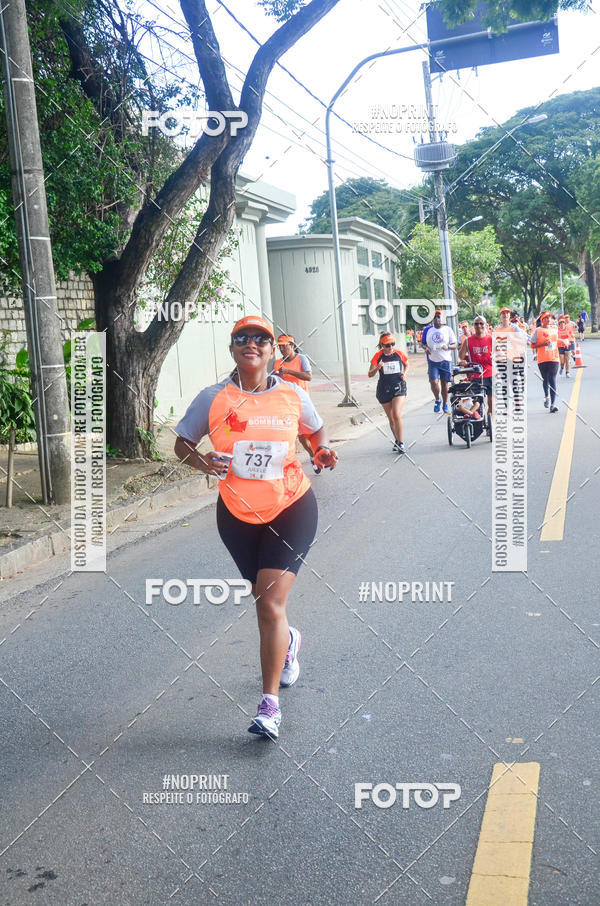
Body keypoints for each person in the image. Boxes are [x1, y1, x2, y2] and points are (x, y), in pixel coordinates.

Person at [173, 315, 338, 740]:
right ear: (232, 349)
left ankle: (270, 706)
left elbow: (316, 430)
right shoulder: (212, 398)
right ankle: (289, 642)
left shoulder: (292, 393)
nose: (252, 344)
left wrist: (320, 450)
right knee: (264, 600)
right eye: (242, 338)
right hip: (236, 514)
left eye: (261, 339)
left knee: (268, 603)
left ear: (271, 351)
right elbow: (182, 443)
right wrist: (203, 462)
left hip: (292, 505)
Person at [273, 334, 318, 472]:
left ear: (292, 345)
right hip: (286, 404)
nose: (282, 349)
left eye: (284, 346)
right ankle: (294, 462)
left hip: (302, 403)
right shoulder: (277, 363)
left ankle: (314, 454)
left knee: (306, 434)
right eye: (280, 347)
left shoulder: (301, 359)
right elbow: (276, 383)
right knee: (295, 435)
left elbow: (308, 376)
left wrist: (288, 371)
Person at [368, 332, 409, 454]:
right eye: (387, 345)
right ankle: (397, 440)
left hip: (398, 386)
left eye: (392, 344)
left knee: (396, 414)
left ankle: (401, 443)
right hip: (384, 389)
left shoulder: (398, 353)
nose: (390, 347)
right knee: (391, 418)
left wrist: (404, 374)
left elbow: (407, 364)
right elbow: (370, 374)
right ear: (382, 345)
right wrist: (378, 367)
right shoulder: (378, 356)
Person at [422, 309, 457, 414]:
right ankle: (437, 400)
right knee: (433, 382)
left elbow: (455, 345)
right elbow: (422, 343)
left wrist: (448, 347)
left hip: (445, 360)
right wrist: (426, 348)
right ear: (432, 319)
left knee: (444, 384)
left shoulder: (448, 329)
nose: (437, 319)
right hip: (433, 361)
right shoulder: (428, 330)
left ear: (442, 319)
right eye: (435, 317)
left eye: (439, 317)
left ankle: (445, 404)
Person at [459, 315, 494, 416]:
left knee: (492, 402)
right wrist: (462, 361)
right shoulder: (468, 340)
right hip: (475, 374)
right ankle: (477, 418)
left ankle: (489, 420)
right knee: (477, 402)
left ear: (485, 325)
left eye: (481, 323)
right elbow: (460, 357)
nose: (479, 326)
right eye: (476, 324)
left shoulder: (491, 339)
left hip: (490, 373)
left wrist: (496, 356)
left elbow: (499, 353)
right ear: (473, 326)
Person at [530, 311, 560, 412]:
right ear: (542, 320)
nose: (548, 319)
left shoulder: (555, 328)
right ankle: (546, 396)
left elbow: (557, 340)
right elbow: (532, 345)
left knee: (552, 379)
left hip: (554, 358)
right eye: (546, 318)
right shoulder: (538, 330)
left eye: (549, 318)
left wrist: (564, 342)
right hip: (542, 359)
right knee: (545, 379)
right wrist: (543, 344)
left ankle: (553, 404)